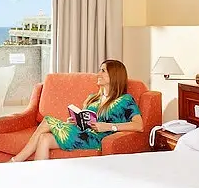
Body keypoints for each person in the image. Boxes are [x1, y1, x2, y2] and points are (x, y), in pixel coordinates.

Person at [10, 59, 144, 162]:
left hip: (98, 138)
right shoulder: (93, 98)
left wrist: (110, 127)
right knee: (44, 138)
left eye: (103, 71)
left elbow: (139, 125)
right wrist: (76, 121)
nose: (98, 74)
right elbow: (86, 119)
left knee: (47, 121)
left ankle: (16, 161)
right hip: (83, 133)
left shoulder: (125, 100)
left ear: (114, 75)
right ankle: (39, 178)